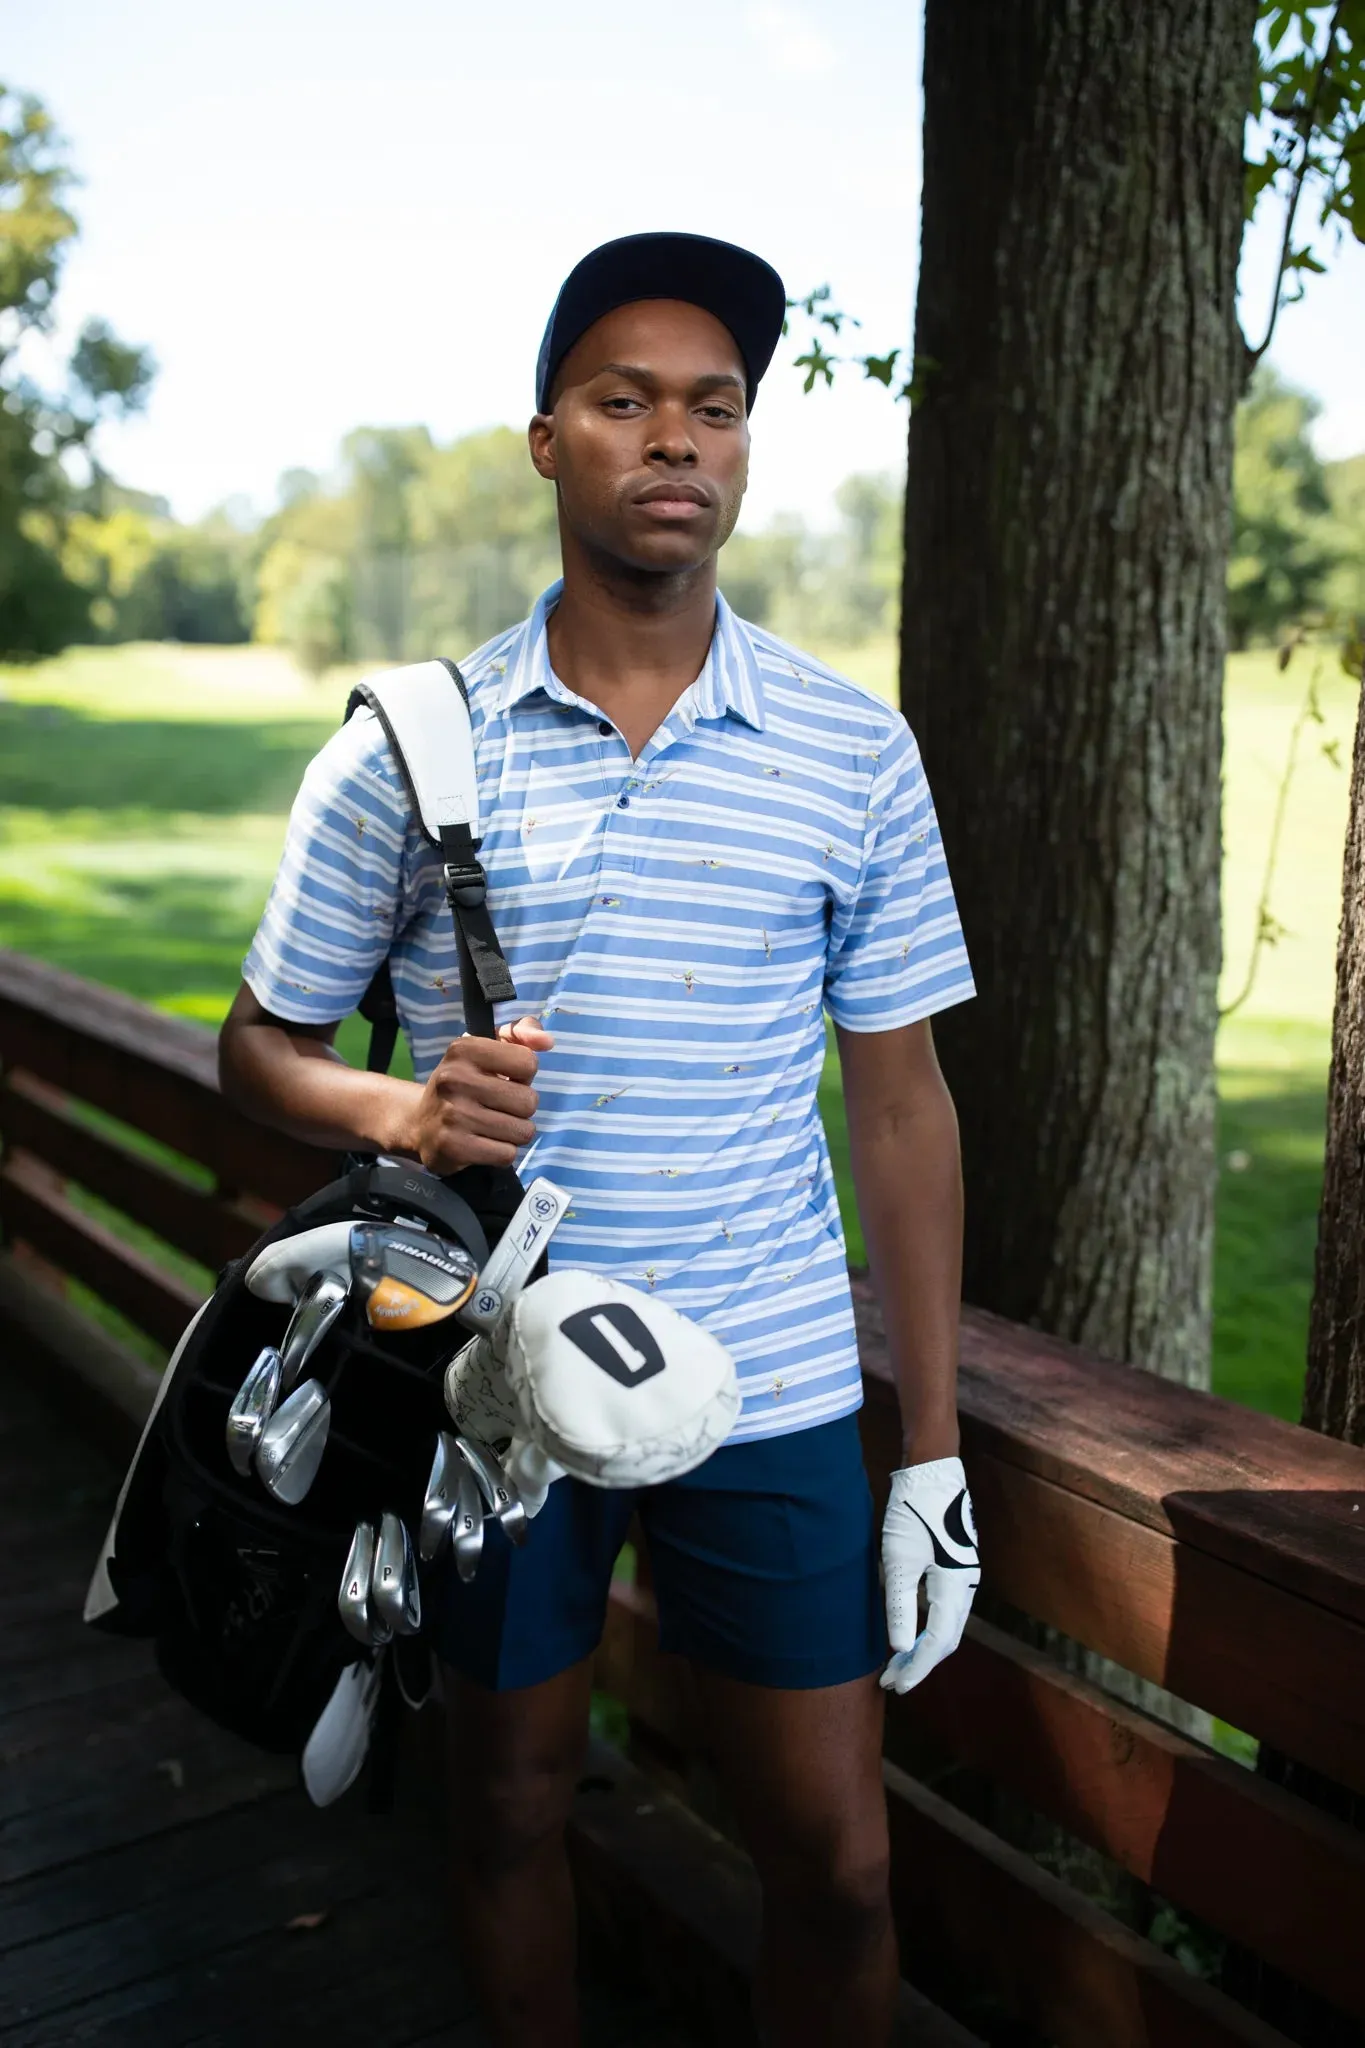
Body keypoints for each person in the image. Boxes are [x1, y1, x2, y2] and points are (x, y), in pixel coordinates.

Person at [219, 232, 976, 2048]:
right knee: (501, 1813)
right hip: (490, 1383)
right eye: (623, 399)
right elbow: (259, 1049)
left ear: (745, 451)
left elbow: (902, 1102)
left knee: (843, 1868)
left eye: (712, 408)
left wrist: (933, 1455)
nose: (673, 440)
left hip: (775, 1380)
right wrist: (402, 1107)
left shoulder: (851, 750)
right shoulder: (416, 745)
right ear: (547, 438)